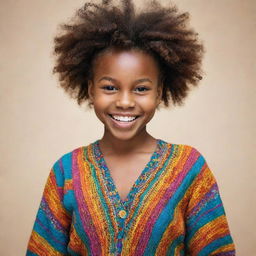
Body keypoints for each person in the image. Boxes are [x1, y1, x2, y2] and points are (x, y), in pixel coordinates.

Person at [26, 0, 236, 255]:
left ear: (159, 93)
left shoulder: (189, 168)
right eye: (110, 87)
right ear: (91, 89)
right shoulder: (66, 171)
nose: (125, 102)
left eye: (141, 89)